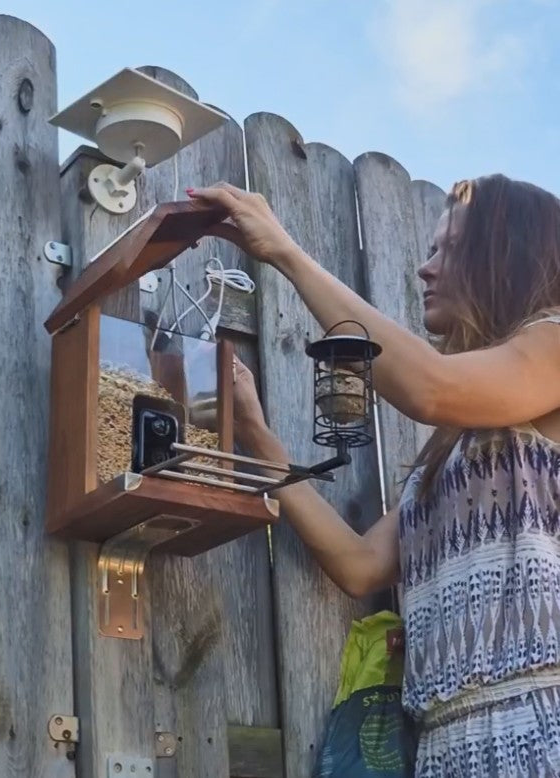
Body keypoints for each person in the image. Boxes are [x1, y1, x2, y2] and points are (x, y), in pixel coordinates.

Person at [186, 176, 560, 777]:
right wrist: (258, 435)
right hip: (444, 743)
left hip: (538, 725)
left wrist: (285, 252)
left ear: (506, 253)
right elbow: (359, 564)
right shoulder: (458, 446)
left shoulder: (556, 344)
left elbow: (431, 387)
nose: (425, 268)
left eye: (450, 249)